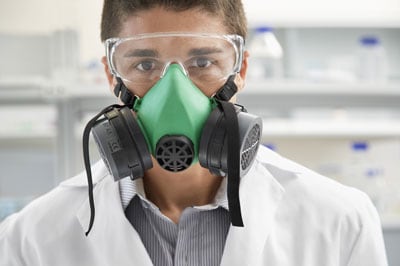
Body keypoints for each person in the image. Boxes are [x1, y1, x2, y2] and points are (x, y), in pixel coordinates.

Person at [0, 0, 388, 265]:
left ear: (240, 70)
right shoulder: (31, 238)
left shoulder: (339, 221)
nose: (173, 92)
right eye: (144, 64)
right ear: (110, 74)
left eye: (203, 61)